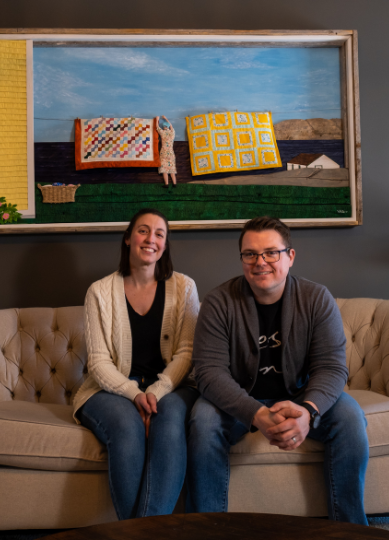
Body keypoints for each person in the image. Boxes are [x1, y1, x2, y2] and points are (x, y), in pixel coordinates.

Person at [186, 216, 369, 525]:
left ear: (290, 256)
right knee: (203, 420)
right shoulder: (218, 302)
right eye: (250, 254)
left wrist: (308, 412)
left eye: (271, 252)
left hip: (299, 395)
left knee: (350, 417)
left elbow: (332, 367)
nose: (261, 262)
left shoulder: (316, 298)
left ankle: (350, 529)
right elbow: (209, 372)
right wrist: (257, 414)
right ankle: (208, 528)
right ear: (242, 258)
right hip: (239, 400)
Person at [73, 208, 199, 520]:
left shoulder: (185, 288)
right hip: (109, 391)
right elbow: (99, 363)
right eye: (143, 231)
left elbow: (186, 352)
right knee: (126, 427)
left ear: (165, 245)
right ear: (128, 238)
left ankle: (139, 533)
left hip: (172, 388)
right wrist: (135, 395)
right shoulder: (99, 292)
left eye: (159, 233)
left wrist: (155, 392)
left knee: (168, 425)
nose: (151, 239)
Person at [156, 115, 177, 187]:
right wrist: (166, 118)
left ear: (163, 126)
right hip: (171, 152)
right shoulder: (172, 133)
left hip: (164, 152)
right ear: (168, 127)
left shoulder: (162, 133)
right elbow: (171, 126)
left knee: (164, 169)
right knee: (172, 169)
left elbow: (157, 127)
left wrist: (157, 119)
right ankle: (174, 183)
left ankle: (166, 184)